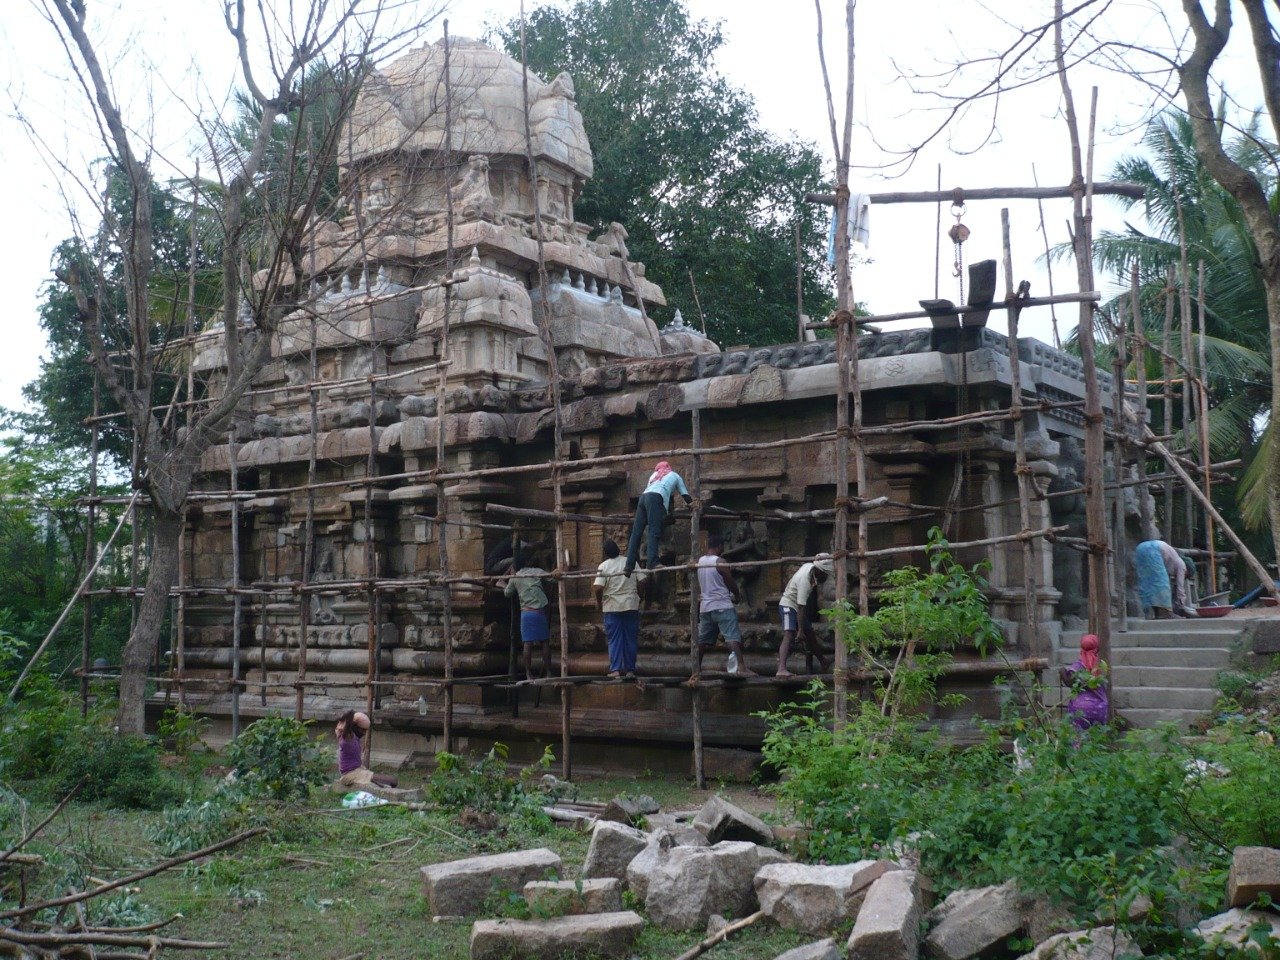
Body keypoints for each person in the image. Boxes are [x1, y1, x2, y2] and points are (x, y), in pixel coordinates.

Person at [694, 533, 753, 676]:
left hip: (706, 607)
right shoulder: (720, 562)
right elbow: (730, 581)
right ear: (719, 546)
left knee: (702, 640)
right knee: (732, 637)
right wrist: (737, 594)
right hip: (722, 605)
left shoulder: (699, 561)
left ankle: (696, 668)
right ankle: (741, 667)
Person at [625, 460, 693, 577]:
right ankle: (652, 562)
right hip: (656, 498)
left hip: (643, 498)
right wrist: (693, 505)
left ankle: (628, 566)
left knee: (636, 533)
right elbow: (685, 495)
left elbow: (649, 494)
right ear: (669, 468)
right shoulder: (675, 476)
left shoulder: (653, 476)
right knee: (654, 530)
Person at [593, 538, 647, 678]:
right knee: (630, 638)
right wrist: (639, 596)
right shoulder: (630, 562)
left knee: (614, 639)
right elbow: (643, 581)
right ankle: (630, 670)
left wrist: (599, 603)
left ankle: (616, 669)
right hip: (630, 604)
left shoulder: (604, 566)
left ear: (605, 553)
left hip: (612, 606)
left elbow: (598, 588)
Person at [777, 554, 835, 677]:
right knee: (789, 633)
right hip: (788, 605)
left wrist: (804, 630)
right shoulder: (805, 581)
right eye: (825, 574)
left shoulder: (809, 567)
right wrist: (800, 630)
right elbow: (801, 606)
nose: (826, 577)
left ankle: (823, 661)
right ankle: (781, 669)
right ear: (819, 571)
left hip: (797, 608)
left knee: (810, 635)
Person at [504, 551, 553, 681]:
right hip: (539, 612)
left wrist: (507, 580)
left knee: (527, 643)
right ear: (528, 562)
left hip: (526, 613)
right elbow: (552, 577)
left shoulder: (516, 577)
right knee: (544, 642)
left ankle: (528, 674)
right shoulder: (536, 571)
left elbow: (507, 593)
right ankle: (549, 673)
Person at [335, 710, 398, 788]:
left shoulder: (354, 738)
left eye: (365, 730)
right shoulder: (347, 739)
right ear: (354, 727)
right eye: (362, 730)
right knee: (393, 780)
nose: (364, 733)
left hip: (357, 770)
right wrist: (350, 717)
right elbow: (346, 727)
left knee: (384, 783)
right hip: (350, 775)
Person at [1059, 633, 1109, 730]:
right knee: (1096, 739)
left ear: (1081, 648)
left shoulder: (1078, 665)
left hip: (1080, 710)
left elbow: (1070, 682)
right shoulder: (1101, 665)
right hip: (1100, 709)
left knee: (1078, 740)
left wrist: (1062, 672)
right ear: (1097, 649)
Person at [1134, 538, 1192, 619]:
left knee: (1147, 582)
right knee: (1162, 584)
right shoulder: (1182, 565)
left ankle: (1152, 613)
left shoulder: (1173, 559)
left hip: (1140, 548)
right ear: (1188, 571)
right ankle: (1166, 613)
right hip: (1155, 549)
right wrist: (1182, 604)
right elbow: (1180, 587)